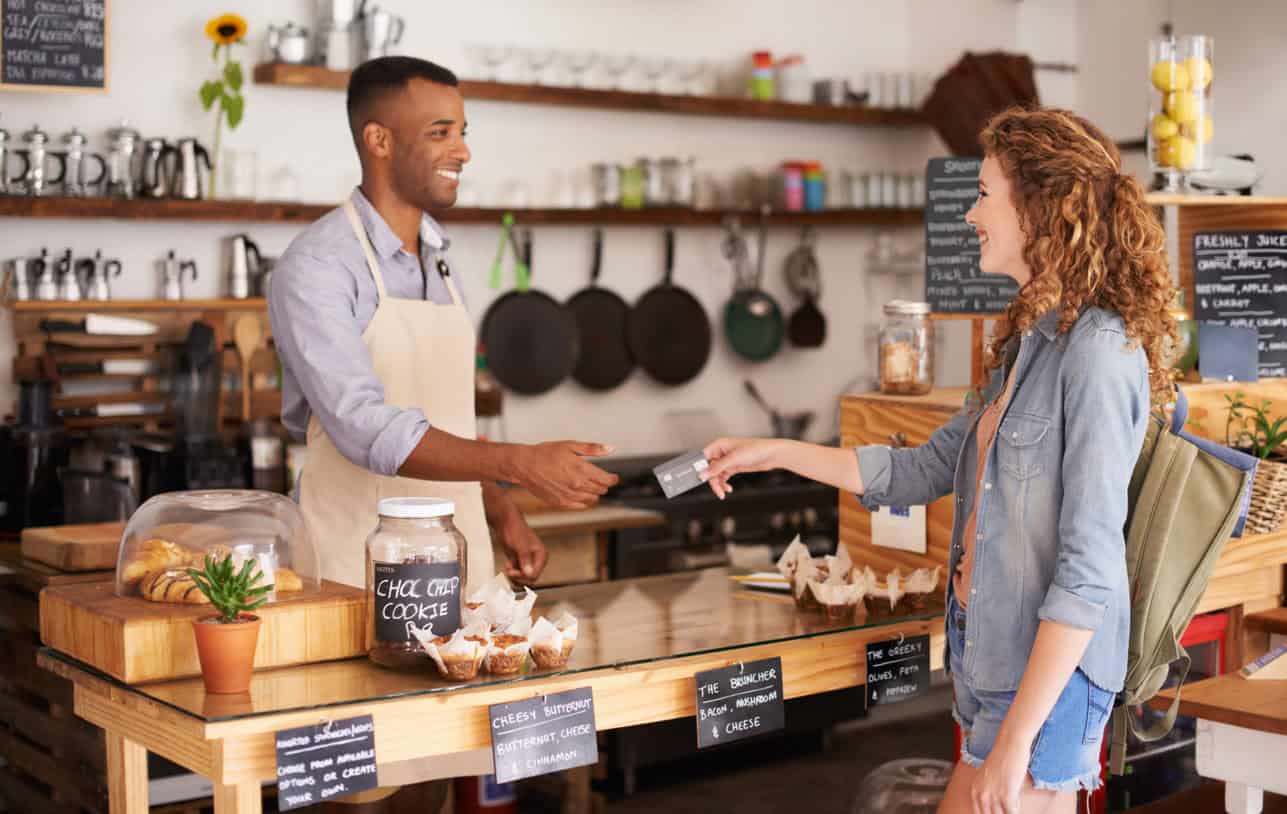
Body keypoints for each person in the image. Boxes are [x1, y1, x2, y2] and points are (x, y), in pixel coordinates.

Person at [701, 107, 1176, 814]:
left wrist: (1015, 742)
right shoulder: (1027, 343)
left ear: (1040, 206)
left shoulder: (1098, 353)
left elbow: (1088, 571)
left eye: (983, 193)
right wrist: (771, 452)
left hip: (1043, 691)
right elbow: (918, 471)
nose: (968, 214)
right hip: (990, 667)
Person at [268, 57, 619, 809]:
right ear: (379, 140)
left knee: (436, 782)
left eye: (463, 131)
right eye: (441, 132)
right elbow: (366, 426)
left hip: (456, 567)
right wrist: (519, 463)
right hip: (356, 572)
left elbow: (443, 414)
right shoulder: (317, 267)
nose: (463, 149)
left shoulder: (439, 255)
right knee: (360, 790)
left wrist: (496, 504)